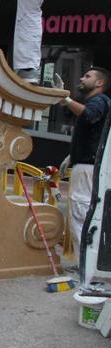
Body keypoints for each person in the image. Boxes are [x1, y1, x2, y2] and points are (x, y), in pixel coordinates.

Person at [59, 67, 111, 265]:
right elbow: (95, 135)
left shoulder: (98, 101)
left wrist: (67, 100)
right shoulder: (103, 102)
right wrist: (72, 156)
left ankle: (86, 267)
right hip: (91, 166)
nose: (82, 78)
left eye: (87, 76)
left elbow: (89, 115)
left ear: (99, 83)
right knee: (88, 215)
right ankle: (90, 265)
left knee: (81, 214)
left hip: (88, 168)